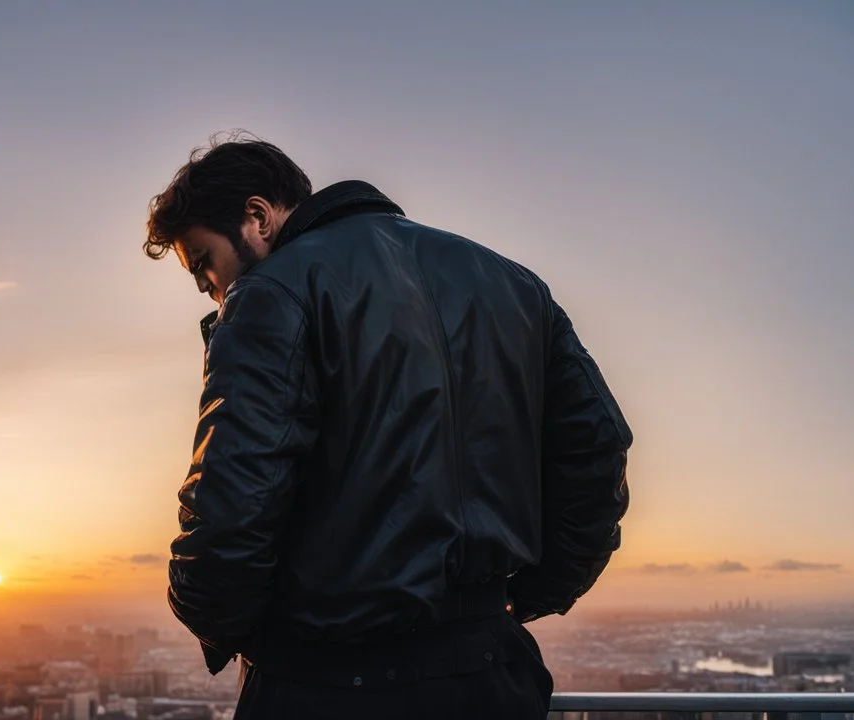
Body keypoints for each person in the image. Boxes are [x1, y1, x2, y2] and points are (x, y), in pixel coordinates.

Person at [143, 134, 632, 719]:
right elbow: (597, 452)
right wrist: (520, 598)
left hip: (327, 683)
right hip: (490, 678)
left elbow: (231, 503)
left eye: (205, 264)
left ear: (257, 216)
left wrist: (229, 623)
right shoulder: (515, 284)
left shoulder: (271, 293)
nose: (210, 289)